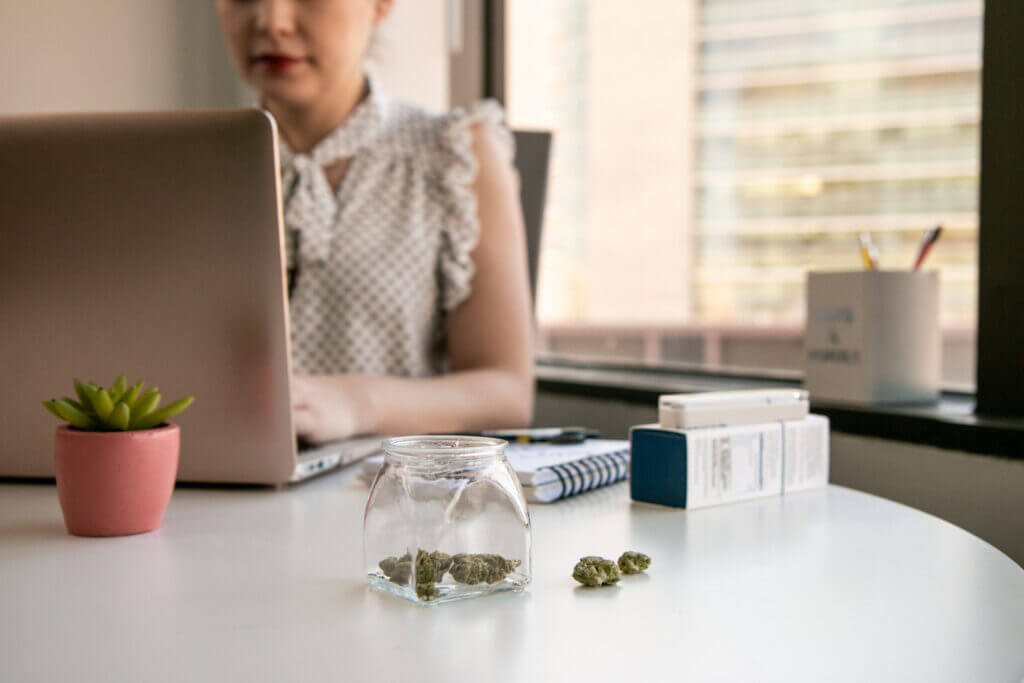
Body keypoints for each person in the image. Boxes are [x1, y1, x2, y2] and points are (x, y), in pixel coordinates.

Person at [216, 0, 534, 443]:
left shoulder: (454, 156)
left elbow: (507, 393)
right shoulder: (193, 167)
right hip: (210, 495)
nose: (273, 22)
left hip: (393, 498)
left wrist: (356, 404)